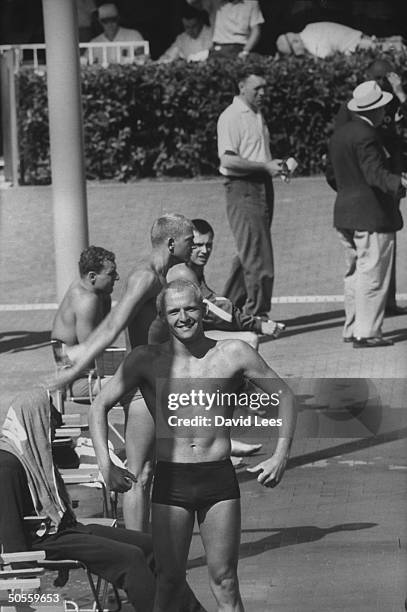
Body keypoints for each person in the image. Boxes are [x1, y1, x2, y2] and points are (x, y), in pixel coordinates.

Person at [89, 279, 297, 612]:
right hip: (172, 480)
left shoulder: (232, 353)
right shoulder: (146, 360)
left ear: (202, 310)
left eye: (190, 308)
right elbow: (98, 406)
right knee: (169, 582)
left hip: (218, 479)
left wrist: (280, 456)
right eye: (174, 311)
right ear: (162, 317)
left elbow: (284, 395)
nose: (183, 317)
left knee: (225, 581)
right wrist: (106, 463)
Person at [0, 386, 206, 612]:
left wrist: (61, 443)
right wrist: (25, 582)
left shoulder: (31, 449)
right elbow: (11, 535)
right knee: (131, 559)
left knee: (153, 547)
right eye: (49, 421)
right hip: (42, 540)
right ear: (35, 420)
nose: (53, 428)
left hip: (63, 529)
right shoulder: (7, 465)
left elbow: (69, 460)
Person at [52, 214, 195, 531]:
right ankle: (139, 552)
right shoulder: (145, 277)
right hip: (143, 385)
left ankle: (151, 548)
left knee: (153, 472)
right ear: (171, 243)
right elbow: (114, 324)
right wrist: (76, 360)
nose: (194, 245)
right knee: (138, 474)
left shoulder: (162, 277)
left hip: (162, 382)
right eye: (190, 240)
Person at [329, 80, 407, 348]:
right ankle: (367, 332)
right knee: (372, 274)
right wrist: (399, 184)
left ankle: (351, 328)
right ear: (376, 109)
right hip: (371, 214)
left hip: (344, 212)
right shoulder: (368, 135)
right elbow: (374, 173)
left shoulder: (340, 134)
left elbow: (332, 174)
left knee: (353, 274)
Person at [217, 66, 284, 319]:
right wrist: (264, 166)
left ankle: (226, 311)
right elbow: (228, 160)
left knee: (250, 253)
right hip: (243, 188)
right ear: (241, 87)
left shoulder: (256, 113)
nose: (263, 93)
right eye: (257, 88)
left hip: (261, 186)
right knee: (258, 256)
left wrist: (271, 167)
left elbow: (255, 154)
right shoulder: (232, 116)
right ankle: (257, 315)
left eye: (265, 87)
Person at [169, 218, 285, 341]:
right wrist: (258, 325)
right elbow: (216, 310)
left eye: (208, 245)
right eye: (198, 245)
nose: (204, 251)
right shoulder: (184, 272)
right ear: (189, 243)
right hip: (175, 339)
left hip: (186, 331)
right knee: (250, 339)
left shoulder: (195, 268)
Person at [51, 245, 119, 398]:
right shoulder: (86, 301)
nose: (117, 277)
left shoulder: (101, 293)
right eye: (111, 273)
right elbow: (91, 352)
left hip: (89, 373)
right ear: (92, 276)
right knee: (142, 379)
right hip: (79, 382)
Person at [187, 0, 264, 58]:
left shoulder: (251, 2)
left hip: (240, 48)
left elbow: (256, 30)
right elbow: (191, 1)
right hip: (218, 48)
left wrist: (245, 51)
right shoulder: (215, 2)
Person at [276, 22, 380, 58]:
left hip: (358, 47)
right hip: (360, 38)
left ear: (295, 41)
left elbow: (329, 58)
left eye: (294, 53)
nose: (298, 55)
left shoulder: (311, 44)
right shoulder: (309, 28)